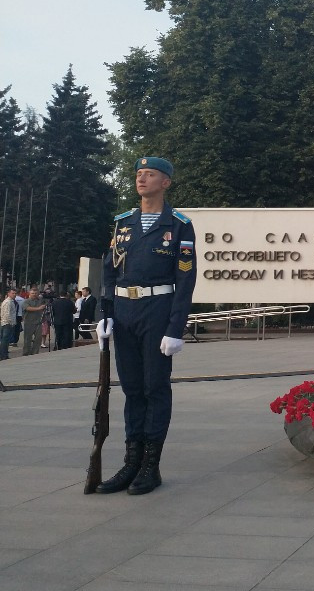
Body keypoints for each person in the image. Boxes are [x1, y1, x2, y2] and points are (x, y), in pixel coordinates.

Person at [93, 157, 197, 495]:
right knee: (132, 389)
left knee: (155, 387)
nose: (142, 178)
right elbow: (109, 271)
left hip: (157, 309)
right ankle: (131, 462)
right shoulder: (123, 223)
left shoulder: (179, 225)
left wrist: (175, 328)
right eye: (139, 174)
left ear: (165, 182)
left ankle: (151, 466)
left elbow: (186, 278)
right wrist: (105, 312)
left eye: (149, 174)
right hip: (125, 311)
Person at [21, 287, 45, 356]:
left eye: (35, 293)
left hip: (38, 322)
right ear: (29, 293)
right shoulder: (26, 301)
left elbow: (44, 307)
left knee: (38, 339)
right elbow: (27, 308)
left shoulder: (40, 300)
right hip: (29, 322)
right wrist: (38, 308)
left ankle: (35, 353)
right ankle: (26, 353)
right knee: (27, 339)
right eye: (32, 293)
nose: (34, 294)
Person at [0, 289, 17, 360]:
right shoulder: (8, 302)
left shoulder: (10, 301)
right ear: (8, 294)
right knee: (5, 340)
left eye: (15, 293)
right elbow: (7, 314)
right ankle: (3, 355)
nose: (14, 295)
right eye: (13, 293)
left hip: (7, 323)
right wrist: (11, 323)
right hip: (7, 323)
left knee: (6, 340)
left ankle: (4, 354)